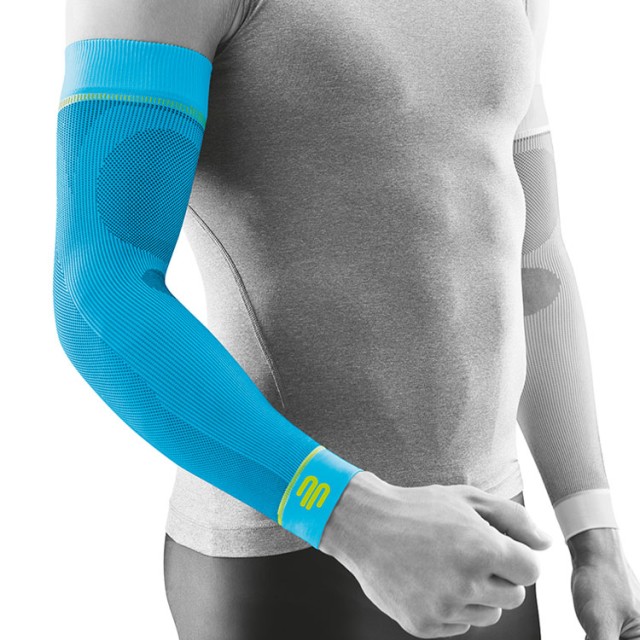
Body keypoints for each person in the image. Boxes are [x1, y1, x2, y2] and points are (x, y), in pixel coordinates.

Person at [55, 0, 640, 638]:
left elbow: (533, 260)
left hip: (488, 537)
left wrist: (596, 540)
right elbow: (99, 292)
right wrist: (348, 515)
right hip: (289, 543)